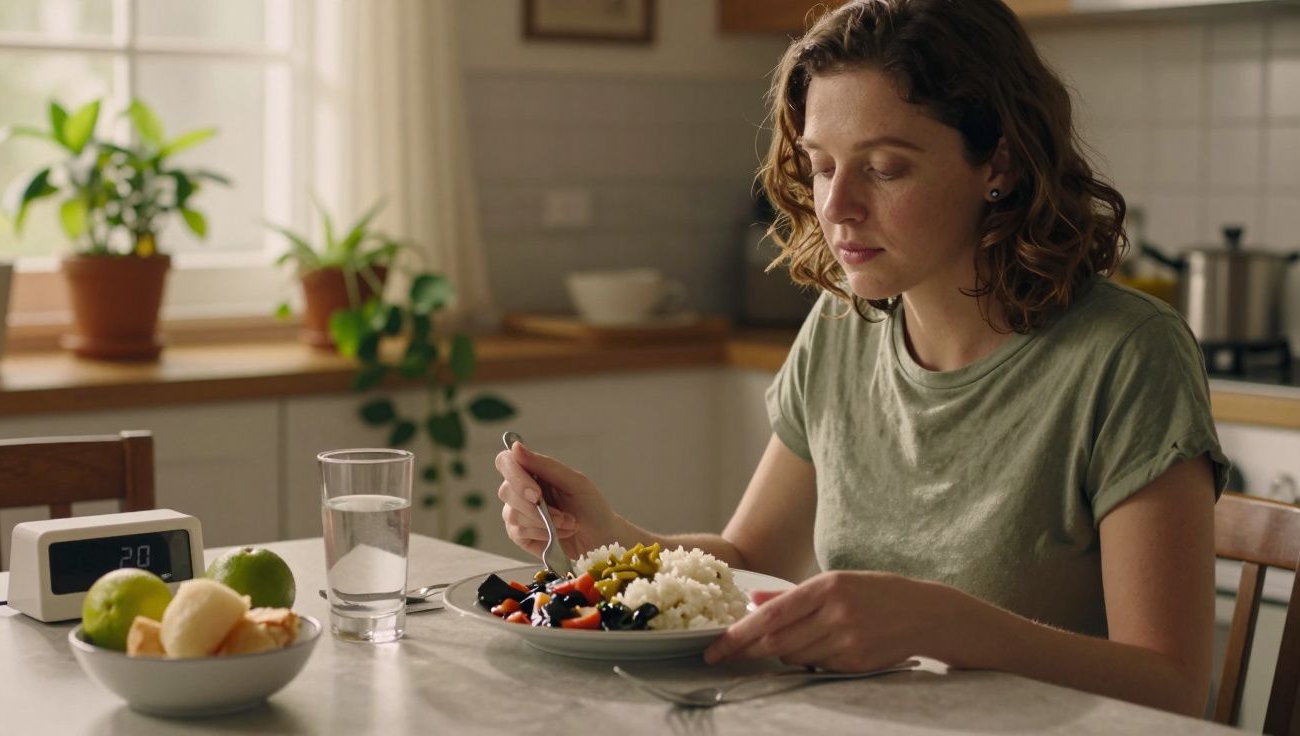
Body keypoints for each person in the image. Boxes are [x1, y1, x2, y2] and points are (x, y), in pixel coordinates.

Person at [495, 0, 1226, 717]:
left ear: (997, 163)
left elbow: (1172, 685)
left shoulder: (1128, 356)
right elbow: (750, 552)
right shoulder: (843, 327)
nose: (836, 205)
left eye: (882, 168)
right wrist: (610, 537)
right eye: (820, 166)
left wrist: (945, 623)